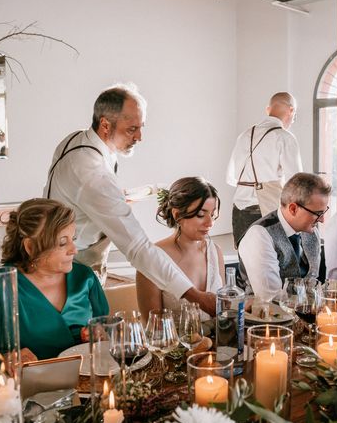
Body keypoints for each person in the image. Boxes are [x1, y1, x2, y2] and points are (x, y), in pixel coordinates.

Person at [43, 83, 215, 315]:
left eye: (141, 127)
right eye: (132, 129)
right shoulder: (92, 172)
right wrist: (196, 296)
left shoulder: (76, 140)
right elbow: (138, 248)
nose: (140, 137)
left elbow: (79, 196)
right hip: (71, 268)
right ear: (105, 124)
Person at [0, 198, 109, 378]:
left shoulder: (85, 278)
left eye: (73, 238)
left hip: (91, 384)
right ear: (30, 247)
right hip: (28, 394)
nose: (74, 249)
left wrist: (100, 335)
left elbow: (106, 329)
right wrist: (2, 360)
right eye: (63, 242)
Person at [136, 177, 224, 321]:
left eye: (212, 214)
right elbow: (152, 329)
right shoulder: (152, 258)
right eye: (201, 215)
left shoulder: (215, 252)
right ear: (177, 215)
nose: (210, 223)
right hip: (173, 343)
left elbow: (222, 315)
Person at [226, 92, 303, 248]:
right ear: (291, 110)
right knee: (278, 259)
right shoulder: (284, 137)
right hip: (268, 207)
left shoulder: (244, 135)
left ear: (268, 110)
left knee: (246, 260)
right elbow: (296, 182)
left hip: (240, 208)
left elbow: (232, 176)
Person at [238, 173, 330, 302]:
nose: (322, 220)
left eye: (324, 212)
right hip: (263, 317)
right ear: (293, 209)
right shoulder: (259, 235)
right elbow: (270, 297)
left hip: (303, 313)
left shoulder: (311, 231)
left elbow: (312, 282)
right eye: (318, 213)